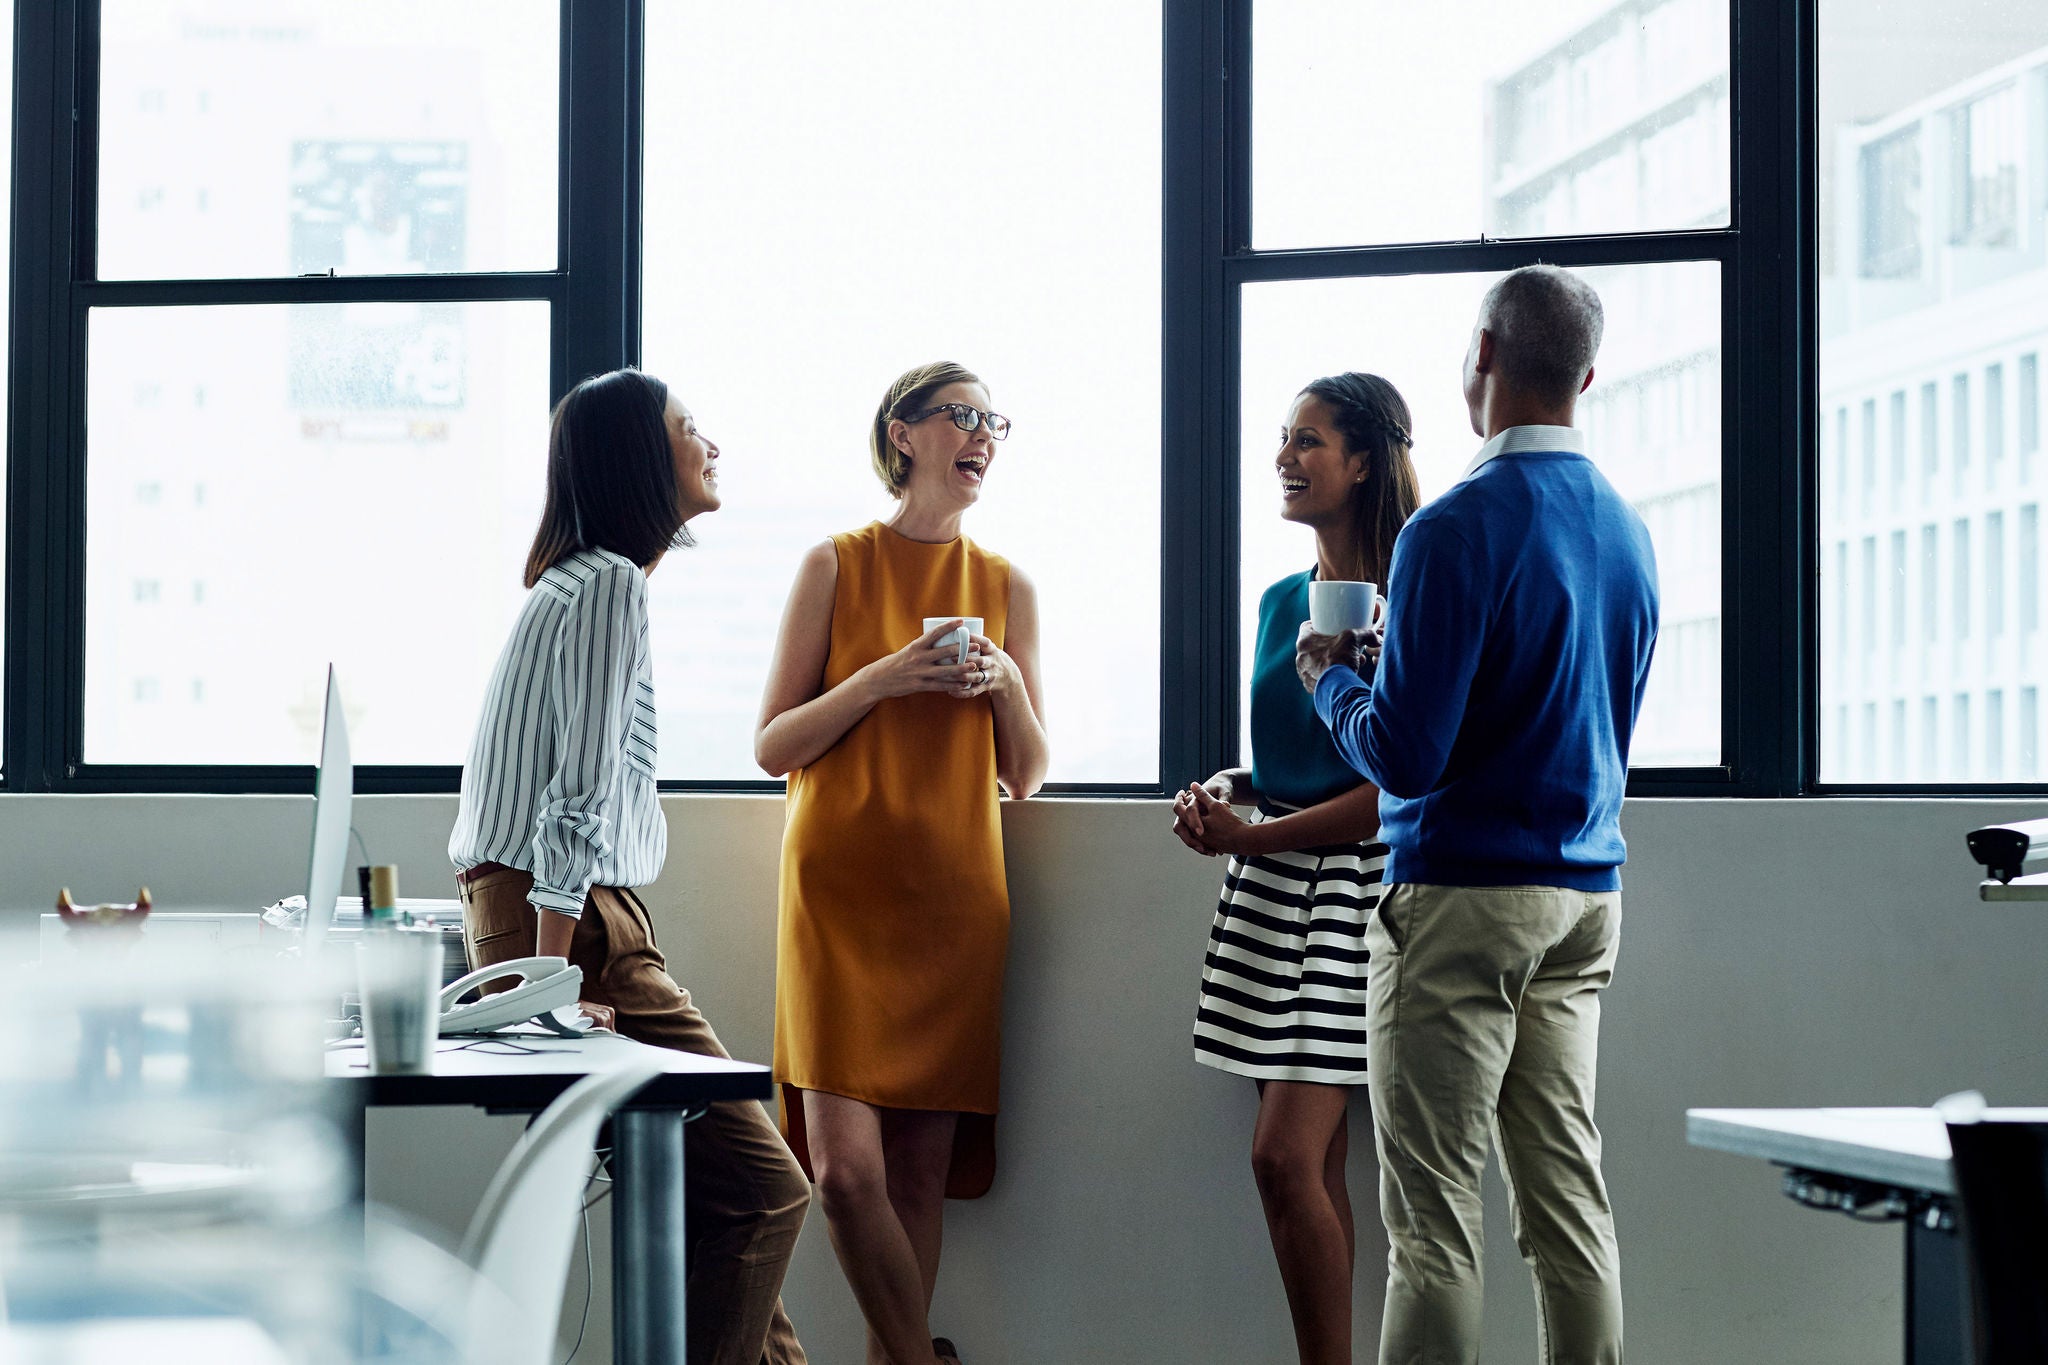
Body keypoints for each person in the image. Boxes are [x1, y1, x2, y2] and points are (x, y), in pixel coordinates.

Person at [1295, 266, 1657, 1365]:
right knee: (1565, 1207)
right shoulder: (1626, 531)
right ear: (1584, 375)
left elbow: (1406, 756)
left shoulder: (1448, 529)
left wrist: (1328, 680)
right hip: (1583, 901)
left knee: (1433, 1225)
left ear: (1483, 358)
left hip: (1459, 904)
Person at [448, 368, 810, 1365]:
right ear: (641, 460)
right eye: (691, 429)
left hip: (546, 922)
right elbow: (574, 797)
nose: (711, 446)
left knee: (719, 1210)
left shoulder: (564, 586)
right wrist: (553, 986)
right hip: (579, 934)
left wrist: (524, 966)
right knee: (768, 1190)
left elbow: (501, 824)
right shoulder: (608, 583)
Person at [757, 361, 1049, 1365]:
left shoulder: (1005, 585)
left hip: (955, 907)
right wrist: (885, 676)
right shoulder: (834, 565)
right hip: (837, 906)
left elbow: (1027, 776)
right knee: (842, 1175)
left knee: (920, 1182)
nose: (981, 438)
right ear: (903, 432)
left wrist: (1005, 681)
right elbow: (773, 745)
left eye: (992, 422)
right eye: (962, 417)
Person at [1170, 373, 1421, 1365]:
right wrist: (1227, 793)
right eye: (1282, 437)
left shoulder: (1411, 598)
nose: (1283, 456)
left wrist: (1254, 839)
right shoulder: (1280, 603)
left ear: (1362, 461)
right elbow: (1292, 760)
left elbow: (1397, 785)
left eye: (1307, 440)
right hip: (1271, 896)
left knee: (1280, 1157)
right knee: (1307, 1162)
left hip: (1356, 893)